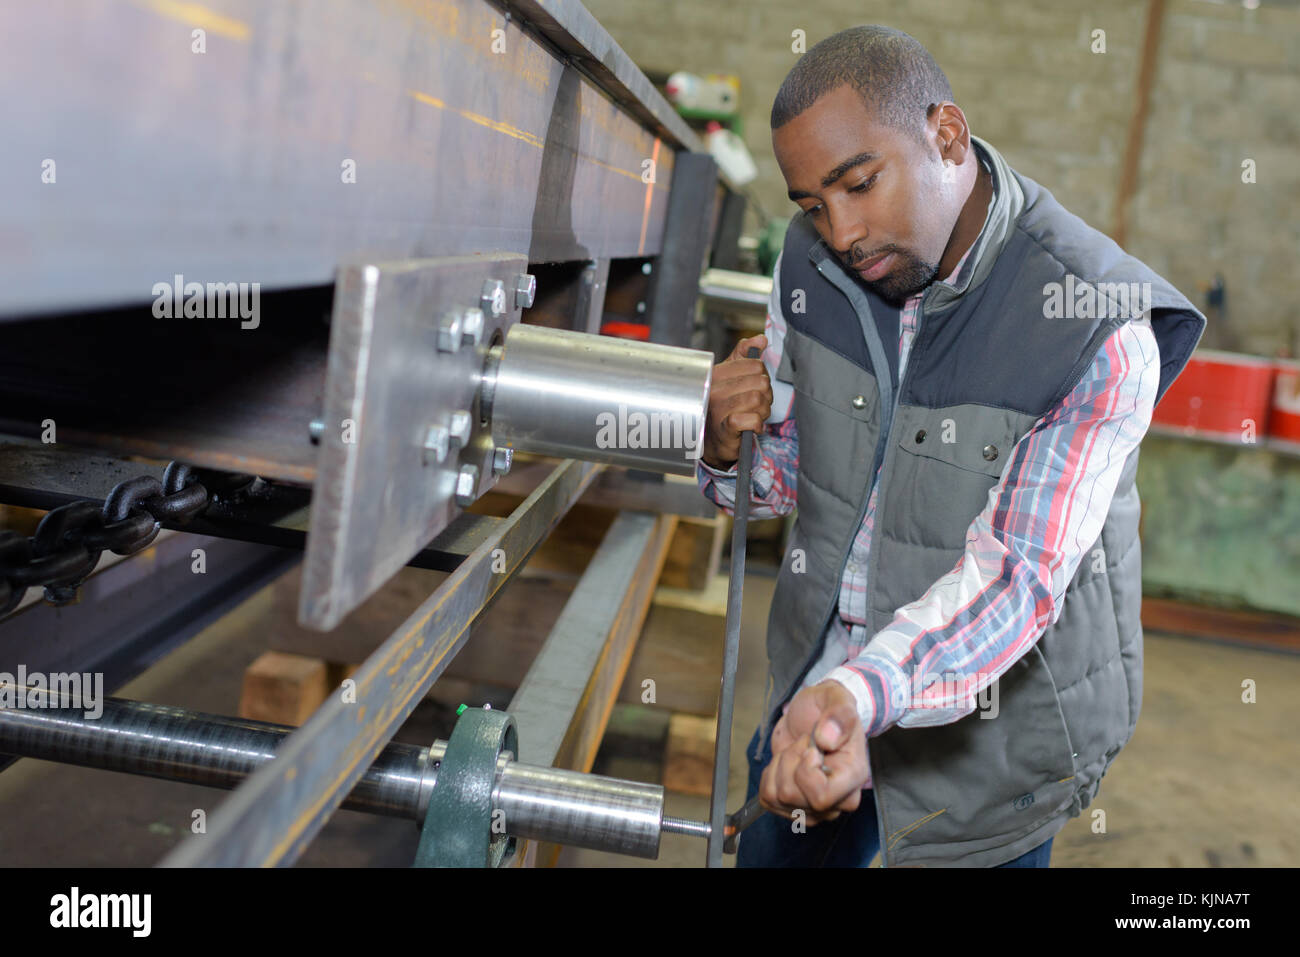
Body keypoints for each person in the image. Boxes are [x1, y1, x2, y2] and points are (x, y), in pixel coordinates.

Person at [697, 25, 1206, 867]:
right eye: (813, 206)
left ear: (946, 135)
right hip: (813, 701)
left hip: (986, 753)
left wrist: (861, 694)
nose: (844, 232)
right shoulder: (811, 266)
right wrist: (722, 446)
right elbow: (790, 483)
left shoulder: (1095, 326)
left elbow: (1017, 573)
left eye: (860, 184)